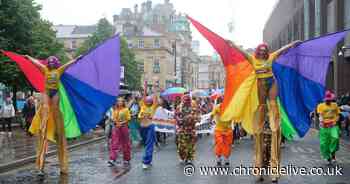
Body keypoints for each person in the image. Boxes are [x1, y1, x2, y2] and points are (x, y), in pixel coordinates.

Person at [228, 40, 300, 183]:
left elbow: (281, 50)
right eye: (260, 50)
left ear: (266, 51)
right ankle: (259, 168)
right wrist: (232, 44)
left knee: (273, 106)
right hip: (260, 84)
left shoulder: (271, 57)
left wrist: (292, 44)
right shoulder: (253, 59)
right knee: (262, 106)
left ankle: (274, 121)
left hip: (271, 82)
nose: (262, 52)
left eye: (264, 50)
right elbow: (242, 53)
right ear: (257, 51)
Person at [25, 55, 79, 175]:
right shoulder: (45, 69)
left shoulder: (58, 71)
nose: (51, 64)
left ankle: (55, 125)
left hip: (55, 93)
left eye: (53, 62)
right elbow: (36, 64)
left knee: (55, 110)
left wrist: (77, 59)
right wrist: (29, 57)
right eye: (49, 62)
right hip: (47, 92)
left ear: (56, 63)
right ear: (48, 64)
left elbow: (68, 65)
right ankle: (44, 120)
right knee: (45, 108)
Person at [316, 90, 340, 165]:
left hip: (333, 125)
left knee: (335, 139)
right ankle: (328, 157)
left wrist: (336, 121)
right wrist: (322, 122)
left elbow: (338, 114)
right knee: (324, 144)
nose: (328, 101)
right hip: (324, 127)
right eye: (327, 100)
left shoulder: (335, 105)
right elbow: (320, 116)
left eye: (329, 100)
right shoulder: (320, 106)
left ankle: (333, 156)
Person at [174, 95, 200, 165]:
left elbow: (198, 118)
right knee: (181, 145)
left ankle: (189, 158)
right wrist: (180, 120)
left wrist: (192, 117)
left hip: (191, 129)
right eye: (185, 100)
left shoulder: (194, 108)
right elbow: (175, 116)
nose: (186, 102)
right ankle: (182, 157)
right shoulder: (179, 107)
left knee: (191, 145)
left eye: (188, 100)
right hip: (182, 129)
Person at [108, 97, 132, 167]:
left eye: (121, 101)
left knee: (126, 143)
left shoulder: (126, 109)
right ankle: (112, 159)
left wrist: (122, 123)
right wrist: (113, 120)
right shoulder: (115, 110)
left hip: (124, 127)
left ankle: (126, 159)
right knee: (114, 142)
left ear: (123, 102)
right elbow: (113, 118)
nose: (119, 102)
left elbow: (128, 119)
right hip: (116, 127)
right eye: (118, 101)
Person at [210, 97, 233, 166]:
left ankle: (226, 159)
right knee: (219, 143)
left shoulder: (230, 107)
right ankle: (219, 158)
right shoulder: (217, 107)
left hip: (228, 130)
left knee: (227, 145)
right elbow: (212, 114)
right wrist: (211, 118)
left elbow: (234, 114)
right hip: (219, 130)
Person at [138, 94, 158, 169]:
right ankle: (149, 159)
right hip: (142, 127)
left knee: (149, 144)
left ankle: (146, 161)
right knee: (145, 144)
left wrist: (156, 89)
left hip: (150, 126)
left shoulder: (153, 107)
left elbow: (156, 99)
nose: (149, 103)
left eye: (150, 102)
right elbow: (142, 98)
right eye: (147, 102)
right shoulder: (142, 106)